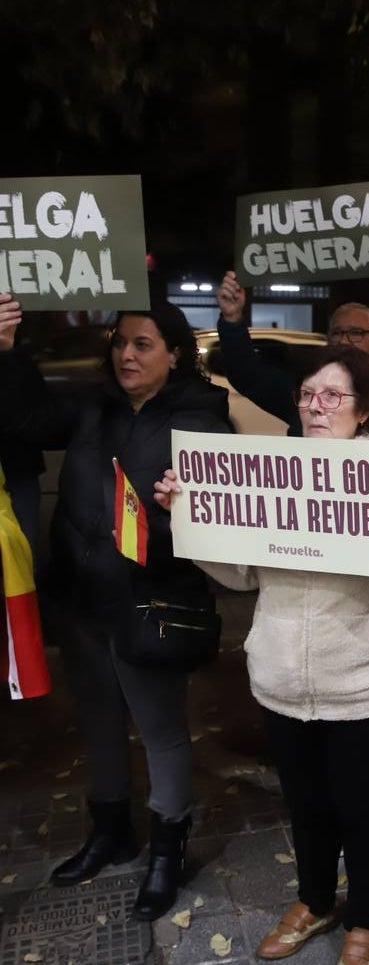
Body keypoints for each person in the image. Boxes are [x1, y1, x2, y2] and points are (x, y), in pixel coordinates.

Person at [154, 346, 369, 965]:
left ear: (364, 408)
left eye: (332, 396)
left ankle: (366, 925)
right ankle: (316, 902)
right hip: (284, 687)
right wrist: (191, 516)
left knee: (364, 812)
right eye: (307, 396)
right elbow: (239, 575)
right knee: (309, 808)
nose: (316, 407)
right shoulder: (272, 475)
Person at [0, 295, 231, 919]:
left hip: (150, 600)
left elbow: (219, 514)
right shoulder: (93, 406)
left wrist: (180, 506)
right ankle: (109, 830)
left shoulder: (202, 417)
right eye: (120, 343)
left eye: (143, 345)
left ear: (175, 354)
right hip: (83, 599)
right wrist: (7, 352)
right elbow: (24, 423)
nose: (126, 355)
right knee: (98, 721)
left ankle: (166, 850)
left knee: (159, 731)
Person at [214, 271, 369, 435]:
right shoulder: (305, 385)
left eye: (356, 333)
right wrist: (232, 320)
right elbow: (246, 374)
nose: (344, 341)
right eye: (336, 333)